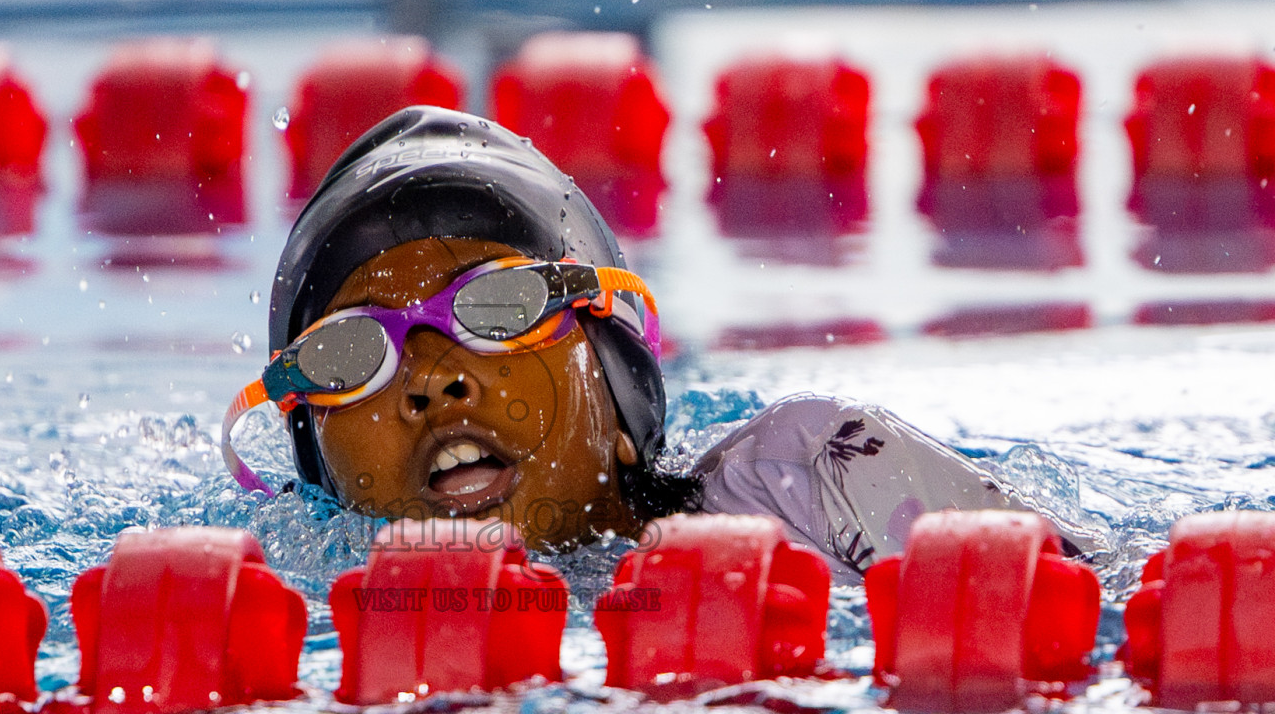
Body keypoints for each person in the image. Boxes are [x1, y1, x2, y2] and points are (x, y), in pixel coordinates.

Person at [222, 106, 1103, 578]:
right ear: (318, 466)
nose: (433, 383)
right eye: (349, 357)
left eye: (500, 307)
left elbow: (1095, 607)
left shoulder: (813, 483)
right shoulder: (293, 611)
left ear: (618, 388)